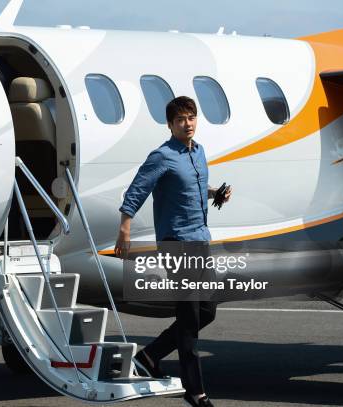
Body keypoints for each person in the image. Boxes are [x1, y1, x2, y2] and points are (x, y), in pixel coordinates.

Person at [114, 96, 231, 407]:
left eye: (191, 117)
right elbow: (137, 189)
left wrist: (215, 193)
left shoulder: (199, 152)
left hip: (200, 239)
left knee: (207, 310)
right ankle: (195, 391)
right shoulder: (162, 156)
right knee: (190, 317)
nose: (187, 123)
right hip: (176, 243)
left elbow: (193, 185)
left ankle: (150, 355)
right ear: (170, 124)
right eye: (180, 119)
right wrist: (124, 228)